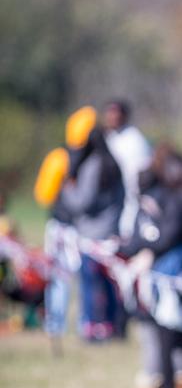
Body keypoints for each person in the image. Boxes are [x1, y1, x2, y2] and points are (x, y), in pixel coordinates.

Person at [122, 143, 182, 388]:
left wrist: (133, 247)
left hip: (174, 272)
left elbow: (165, 237)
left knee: (168, 332)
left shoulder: (175, 199)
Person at [33, 106, 96, 340]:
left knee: (61, 277)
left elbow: (42, 195)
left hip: (63, 225)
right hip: (74, 227)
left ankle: (58, 324)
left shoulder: (58, 157)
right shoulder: (86, 158)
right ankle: (79, 324)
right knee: (73, 277)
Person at [60, 125, 124, 342]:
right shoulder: (113, 164)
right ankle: (113, 325)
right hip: (110, 232)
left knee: (90, 283)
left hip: (91, 235)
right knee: (109, 282)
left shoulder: (92, 166)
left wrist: (67, 188)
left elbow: (82, 202)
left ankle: (94, 328)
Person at [103, 100, 153, 239]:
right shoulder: (107, 137)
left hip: (130, 194)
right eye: (109, 113)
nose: (112, 117)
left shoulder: (134, 139)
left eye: (116, 113)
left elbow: (139, 172)